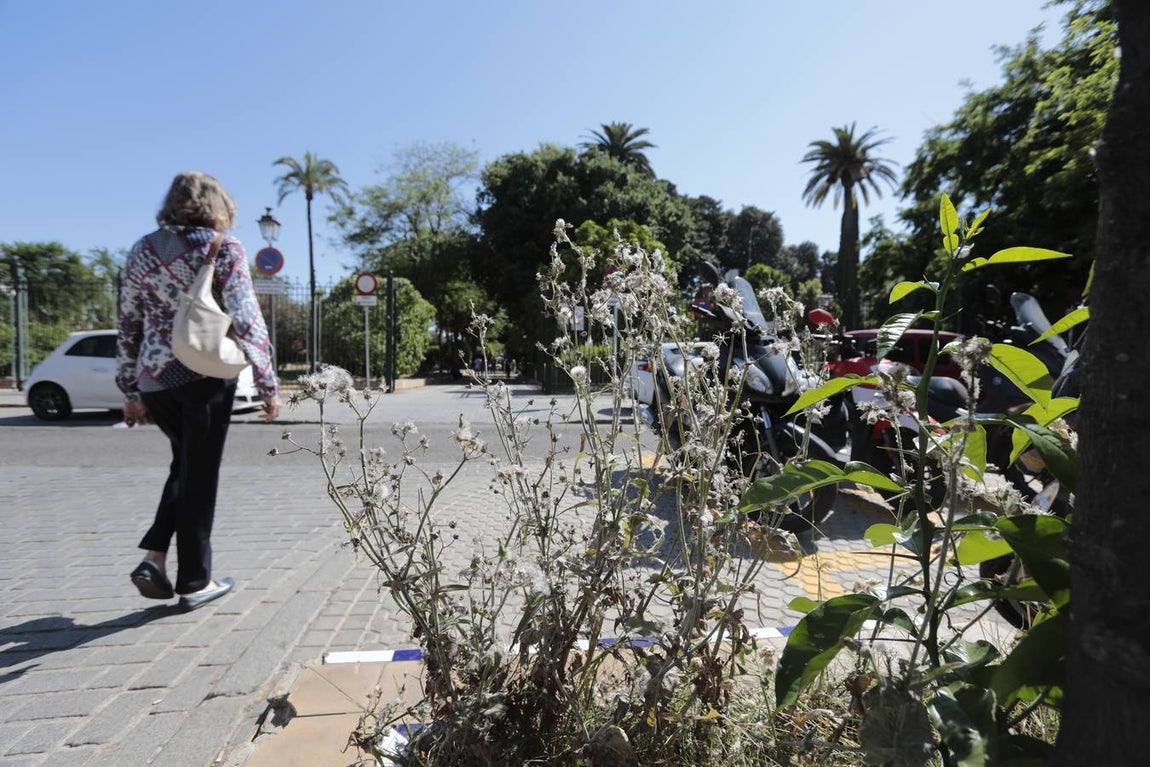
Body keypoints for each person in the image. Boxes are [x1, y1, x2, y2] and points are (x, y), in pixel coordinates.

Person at [116, 171, 282, 611]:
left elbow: (128, 322)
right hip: (203, 373)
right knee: (199, 474)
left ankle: (154, 558)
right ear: (217, 205)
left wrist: (130, 388)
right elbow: (246, 317)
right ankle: (194, 581)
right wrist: (266, 380)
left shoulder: (141, 250)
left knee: (185, 464)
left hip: (155, 379)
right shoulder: (222, 247)